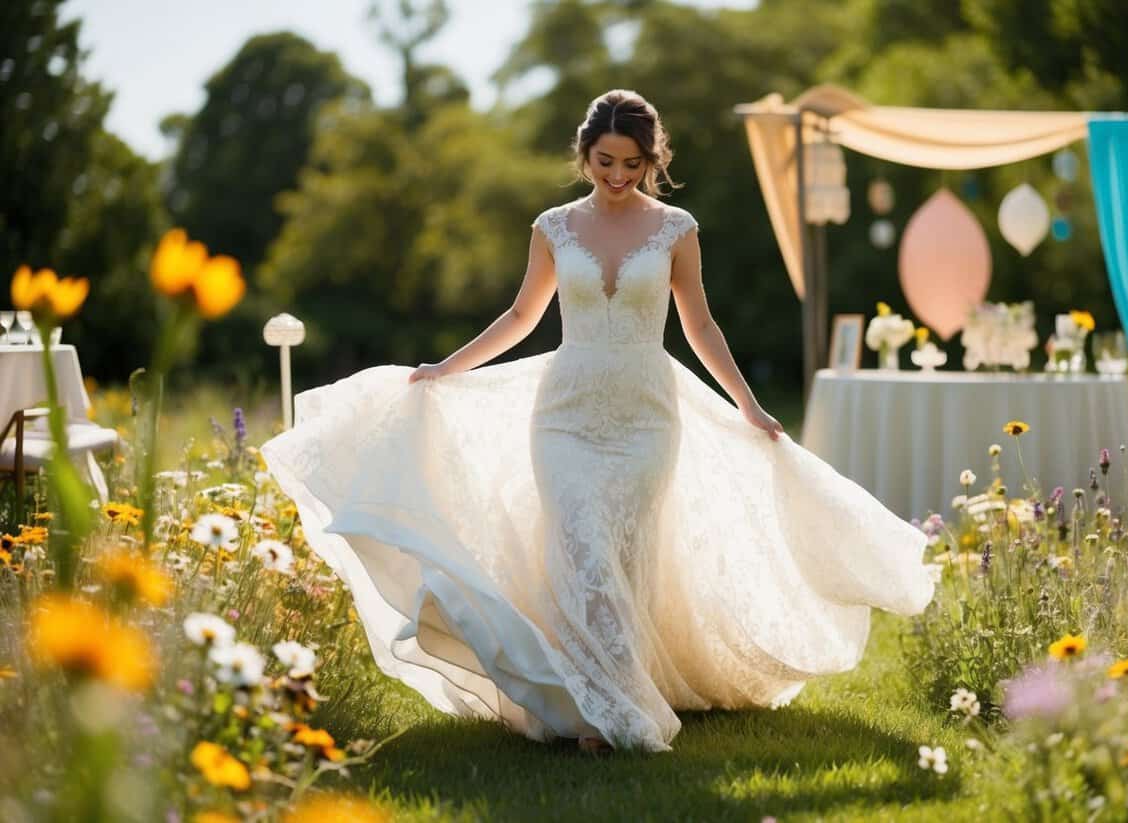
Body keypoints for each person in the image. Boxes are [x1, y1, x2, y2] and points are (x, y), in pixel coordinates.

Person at [261, 89, 935, 755]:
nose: (617, 176)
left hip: (646, 415)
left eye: (632, 163)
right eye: (605, 160)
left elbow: (699, 324)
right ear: (585, 154)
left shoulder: (677, 230)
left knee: (627, 553)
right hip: (564, 415)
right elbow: (523, 315)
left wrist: (748, 404)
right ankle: (596, 709)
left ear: (651, 159)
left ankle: (618, 688)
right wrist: (448, 366)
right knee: (579, 541)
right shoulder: (553, 227)